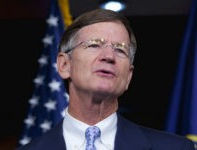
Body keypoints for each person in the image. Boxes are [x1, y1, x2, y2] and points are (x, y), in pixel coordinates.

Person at [17, 8, 195, 150]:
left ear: (129, 76)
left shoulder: (177, 148)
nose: (109, 56)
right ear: (64, 65)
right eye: (94, 44)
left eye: (120, 49)